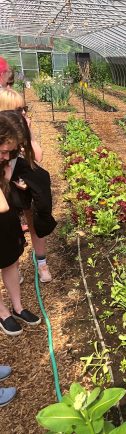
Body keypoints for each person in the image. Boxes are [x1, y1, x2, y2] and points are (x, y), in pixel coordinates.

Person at [0, 90, 54, 283]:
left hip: (22, 175)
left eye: (24, 109)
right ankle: (13, 265)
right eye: (17, 109)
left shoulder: (20, 131)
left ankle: (42, 263)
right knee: (10, 220)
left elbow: (37, 156)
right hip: (5, 182)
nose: (22, 113)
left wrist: (28, 134)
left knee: (33, 215)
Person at [0, 112, 41, 335]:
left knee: (11, 261)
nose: (7, 157)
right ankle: (3, 312)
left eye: (10, 151)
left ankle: (17, 307)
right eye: (4, 151)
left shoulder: (5, 158)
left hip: (6, 220)